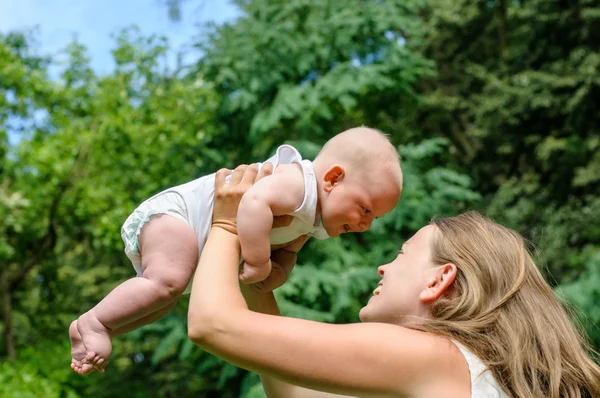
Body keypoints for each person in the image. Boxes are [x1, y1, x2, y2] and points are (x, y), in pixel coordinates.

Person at [187, 164, 600, 398]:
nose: (383, 267)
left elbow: (213, 324)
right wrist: (258, 285)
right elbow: (299, 395)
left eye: (402, 254)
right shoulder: (474, 375)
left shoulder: (435, 357)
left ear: (439, 280)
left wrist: (225, 223)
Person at [69, 127, 403, 374]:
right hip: (179, 216)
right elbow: (254, 204)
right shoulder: (299, 185)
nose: (366, 224)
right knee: (167, 282)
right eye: (365, 209)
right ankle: (95, 321)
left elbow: (289, 248)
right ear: (332, 178)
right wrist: (258, 262)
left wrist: (281, 269)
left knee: (167, 295)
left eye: (374, 218)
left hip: (194, 239)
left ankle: (106, 328)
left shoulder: (313, 220)